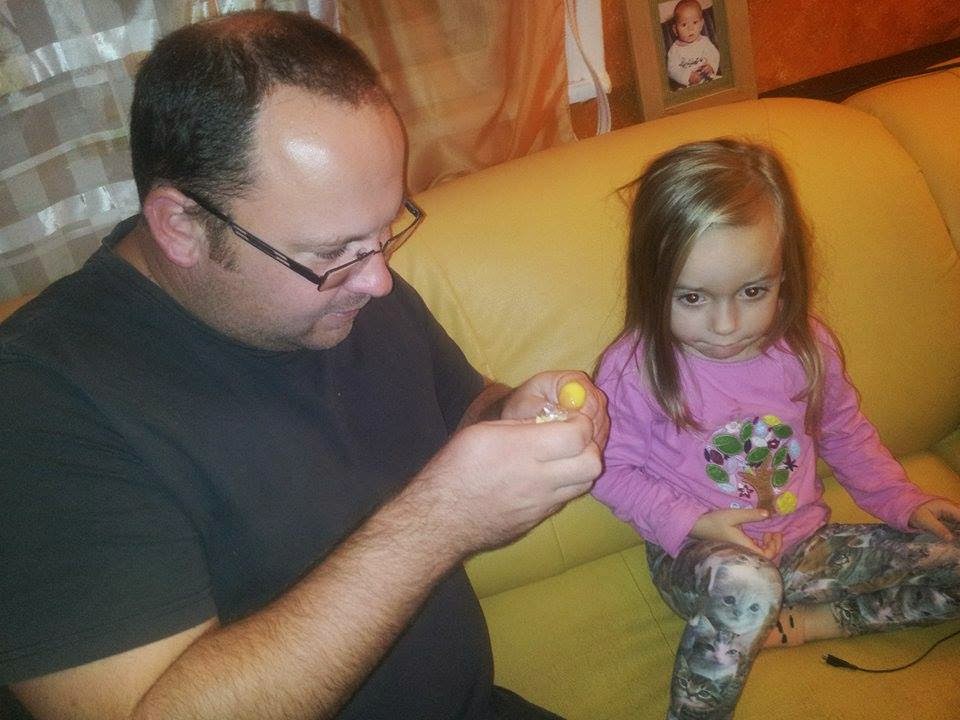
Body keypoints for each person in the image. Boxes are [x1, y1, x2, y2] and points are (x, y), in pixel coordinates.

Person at [0, 10, 609, 720]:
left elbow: (463, 408)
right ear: (181, 227)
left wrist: (517, 418)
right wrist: (440, 521)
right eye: (330, 252)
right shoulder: (39, 405)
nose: (377, 278)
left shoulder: (352, 291)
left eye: (386, 230)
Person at [592, 139, 960, 719]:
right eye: (692, 297)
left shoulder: (807, 348)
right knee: (749, 585)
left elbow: (845, 433)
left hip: (806, 547)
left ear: (785, 276)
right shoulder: (634, 369)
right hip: (702, 559)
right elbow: (607, 470)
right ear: (651, 283)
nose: (726, 325)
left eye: (753, 291)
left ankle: (816, 624)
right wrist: (696, 522)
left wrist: (903, 501)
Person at [665, 0, 720, 87]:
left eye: (695, 22)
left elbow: (714, 54)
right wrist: (687, 77)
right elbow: (671, 70)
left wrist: (711, 66)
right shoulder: (674, 50)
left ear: (701, 24)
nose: (690, 28)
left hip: (709, 78)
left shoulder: (704, 41)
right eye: (684, 25)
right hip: (690, 86)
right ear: (675, 30)